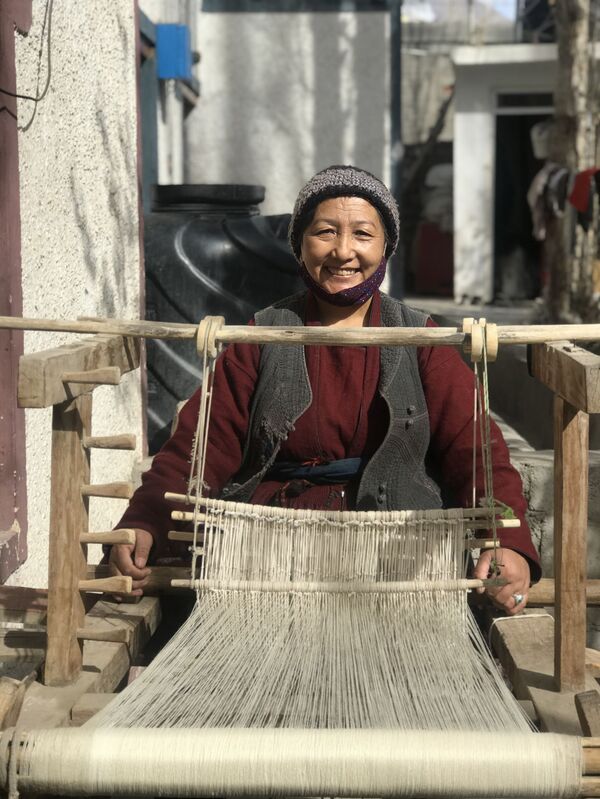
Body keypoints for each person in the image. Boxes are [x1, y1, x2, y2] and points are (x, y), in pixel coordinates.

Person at [110, 165, 540, 614]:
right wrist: (146, 523)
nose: (343, 251)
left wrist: (506, 540)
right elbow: (199, 448)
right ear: (299, 244)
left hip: (398, 560)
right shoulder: (262, 336)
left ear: (387, 246)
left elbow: (476, 452)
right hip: (272, 558)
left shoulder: (422, 339)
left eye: (362, 234)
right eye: (325, 232)